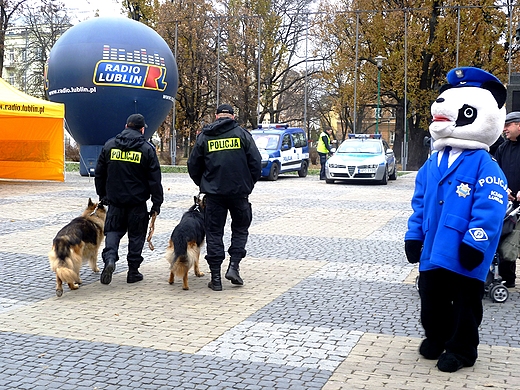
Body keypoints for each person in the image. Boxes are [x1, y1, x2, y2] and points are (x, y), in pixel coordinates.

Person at [405, 67, 508, 373]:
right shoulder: (433, 161)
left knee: (465, 305)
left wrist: (476, 241)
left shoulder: (483, 163)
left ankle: (463, 350)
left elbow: (490, 207)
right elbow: (420, 201)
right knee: (431, 297)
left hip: (465, 249)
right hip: (434, 247)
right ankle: (437, 337)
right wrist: (414, 235)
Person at [187, 104, 262, 291]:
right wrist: (248, 184)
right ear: (233, 116)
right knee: (240, 230)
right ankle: (234, 267)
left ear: (216, 116)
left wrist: (204, 183)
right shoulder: (243, 135)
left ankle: (216, 279)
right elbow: (256, 163)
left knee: (213, 233)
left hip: (214, 194)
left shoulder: (205, 136)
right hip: (239, 193)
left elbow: (193, 165)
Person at [95, 113, 163, 285]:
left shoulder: (110, 145)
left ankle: (110, 258)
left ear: (126, 127)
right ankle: (133, 272)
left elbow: (99, 174)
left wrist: (102, 195)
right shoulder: (147, 149)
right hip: (137, 204)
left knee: (112, 232)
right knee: (136, 236)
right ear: (142, 129)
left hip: (115, 202)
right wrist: (156, 203)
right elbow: (155, 180)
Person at [494, 111, 520, 287]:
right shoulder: (502, 148)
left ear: (519, 125)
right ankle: (507, 279)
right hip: (509, 204)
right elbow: (496, 172)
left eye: (507, 125)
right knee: (507, 240)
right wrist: (504, 189)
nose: (504, 129)